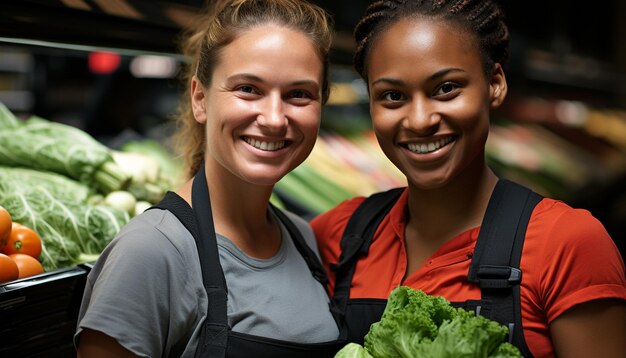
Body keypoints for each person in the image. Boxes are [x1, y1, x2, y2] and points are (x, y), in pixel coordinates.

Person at [311, 0, 626, 357]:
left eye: (446, 88)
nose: (419, 120)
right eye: (393, 96)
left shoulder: (568, 244)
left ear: (494, 84)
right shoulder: (337, 236)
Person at [75, 0, 343, 357]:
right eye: (248, 88)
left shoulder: (304, 238)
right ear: (200, 99)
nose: (275, 118)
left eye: (299, 94)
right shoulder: (151, 252)